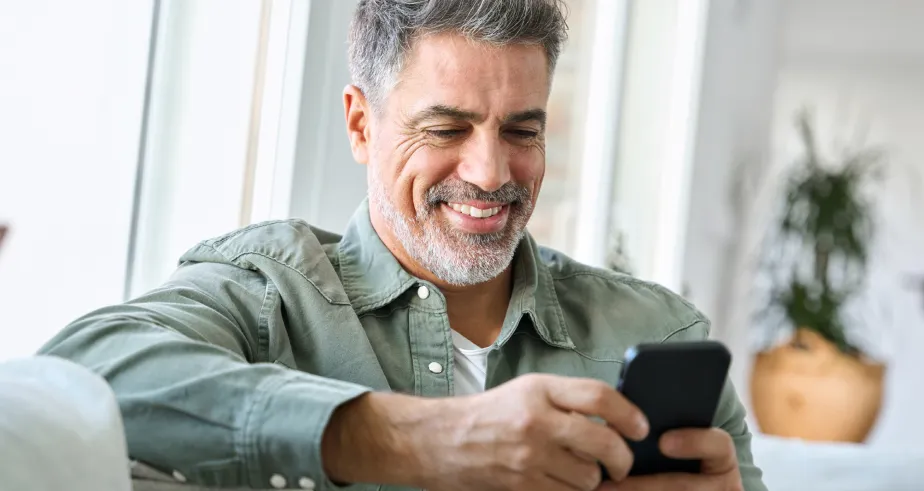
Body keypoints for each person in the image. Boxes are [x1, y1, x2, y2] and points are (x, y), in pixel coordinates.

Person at [39, 0, 766, 490]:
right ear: (361, 124)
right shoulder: (265, 292)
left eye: (522, 130)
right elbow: (74, 376)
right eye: (446, 129)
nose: (490, 174)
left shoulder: (661, 334)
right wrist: (420, 437)